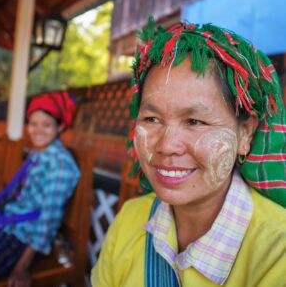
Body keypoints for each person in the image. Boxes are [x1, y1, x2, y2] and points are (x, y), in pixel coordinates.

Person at [91, 18, 286, 286]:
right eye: (151, 119)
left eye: (195, 122)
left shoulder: (278, 253)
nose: (166, 146)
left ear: (245, 134)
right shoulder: (129, 218)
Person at [0, 91, 80, 286]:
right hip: (9, 222)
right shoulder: (38, 153)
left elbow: (47, 220)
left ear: (59, 127)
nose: (38, 130)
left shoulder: (60, 165)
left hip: (20, 237)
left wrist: (21, 267)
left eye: (46, 125)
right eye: (33, 124)